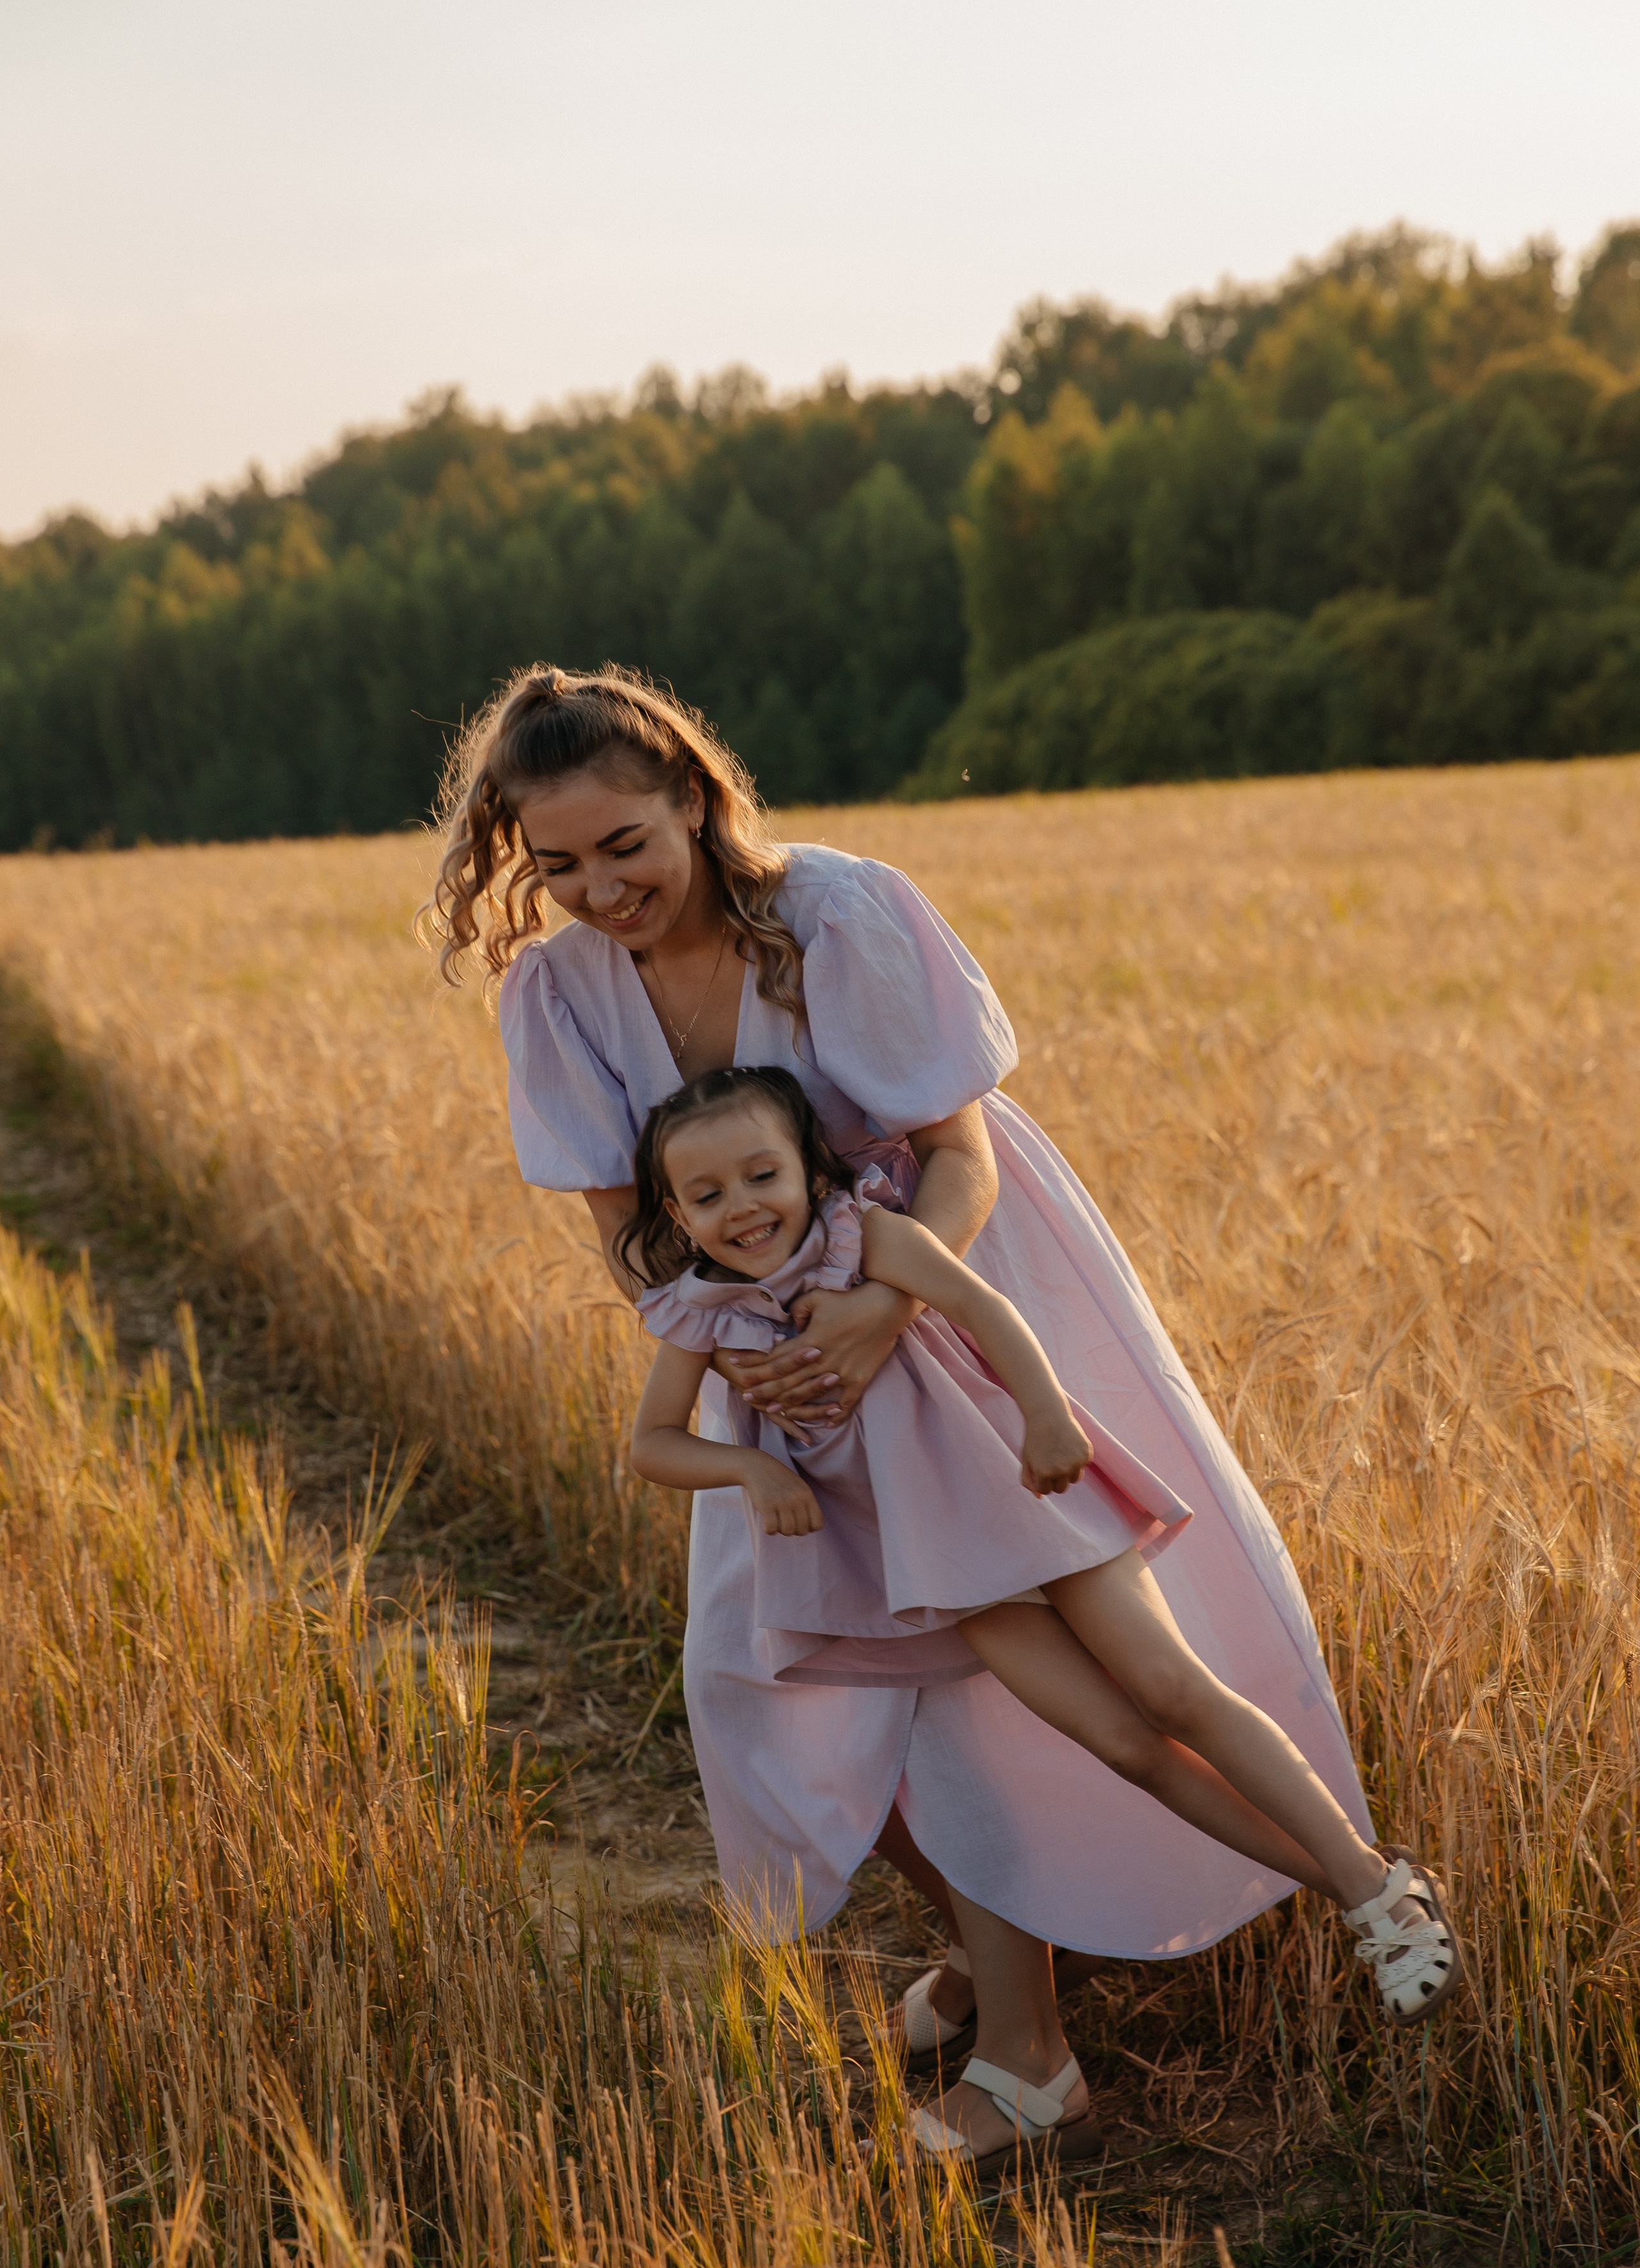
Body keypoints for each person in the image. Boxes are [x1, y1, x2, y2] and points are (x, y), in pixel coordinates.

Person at [422, 662, 1457, 2172]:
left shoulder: (837, 913)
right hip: (777, 1371)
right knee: (786, 1686)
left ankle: (1035, 2056)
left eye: (624, 845)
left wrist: (882, 1313)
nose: (598, 888)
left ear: (695, 805)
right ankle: (989, 1957)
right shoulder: (555, 994)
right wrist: (744, 1361)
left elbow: (954, 1159)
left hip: (960, 1300)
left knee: (973, 1690)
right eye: (556, 864)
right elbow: (631, 1239)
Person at [618, 1065, 1459, 2160]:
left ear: (812, 1169)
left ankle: (1374, 1889)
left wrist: (1052, 1419)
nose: (743, 1206)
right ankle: (1351, 1894)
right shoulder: (703, 1312)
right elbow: (652, 1443)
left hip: (1025, 1491)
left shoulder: (865, 1237)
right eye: (709, 1194)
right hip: (939, 1562)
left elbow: (985, 1308)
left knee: (1168, 1692)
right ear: (676, 1216)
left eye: (763, 1173)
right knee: (1120, 1742)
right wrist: (748, 1472)